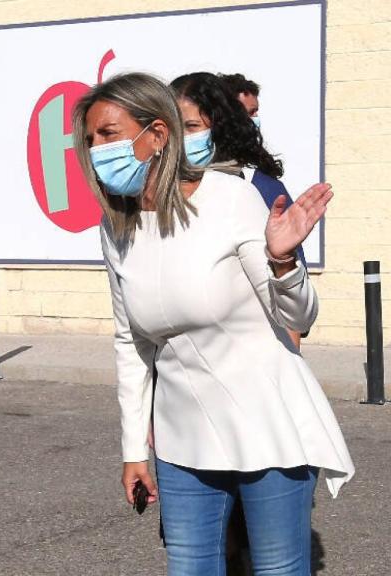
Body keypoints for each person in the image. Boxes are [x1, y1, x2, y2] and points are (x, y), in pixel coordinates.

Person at [71, 72, 354, 576]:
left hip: (267, 422)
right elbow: (131, 344)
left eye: (109, 134)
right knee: (190, 567)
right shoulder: (116, 227)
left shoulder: (229, 198)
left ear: (157, 134)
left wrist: (283, 263)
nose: (97, 149)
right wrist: (133, 449)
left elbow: (299, 316)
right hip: (183, 434)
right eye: (90, 139)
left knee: (277, 567)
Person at [170, 71, 306, 347]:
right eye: (175, 127)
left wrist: (291, 360)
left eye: (192, 126)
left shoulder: (257, 188)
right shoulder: (158, 196)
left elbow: (291, 304)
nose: (182, 136)